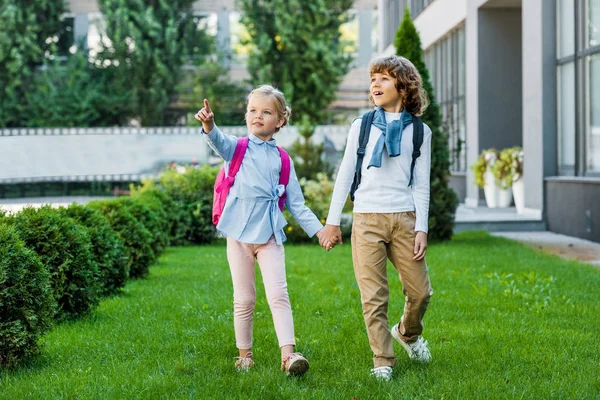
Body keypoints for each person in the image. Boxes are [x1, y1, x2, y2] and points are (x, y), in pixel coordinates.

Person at [195, 85, 326, 376]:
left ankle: (289, 357)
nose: (258, 116)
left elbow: (298, 204)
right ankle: (245, 356)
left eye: (266, 112)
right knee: (244, 298)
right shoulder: (237, 148)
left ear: (279, 120)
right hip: (239, 236)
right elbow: (217, 141)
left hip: (269, 235)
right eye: (253, 110)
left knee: (279, 294)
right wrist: (209, 125)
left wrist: (320, 231)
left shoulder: (283, 159)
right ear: (246, 115)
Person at [319, 56, 434, 381]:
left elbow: (421, 184)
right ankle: (383, 360)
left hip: (405, 219)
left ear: (403, 85)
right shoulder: (362, 126)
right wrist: (332, 221)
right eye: (373, 80)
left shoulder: (420, 132)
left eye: (384, 78)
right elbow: (345, 174)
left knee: (421, 292)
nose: (375, 85)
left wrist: (421, 227)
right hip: (367, 217)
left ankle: (408, 333)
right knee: (374, 295)